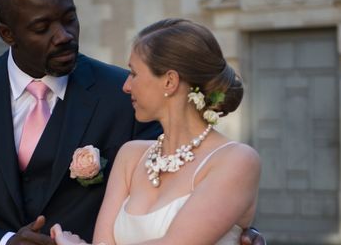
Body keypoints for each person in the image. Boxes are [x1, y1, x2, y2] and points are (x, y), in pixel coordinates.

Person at [0, 0, 265, 245]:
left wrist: (229, 230)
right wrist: (4, 242)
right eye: (42, 28)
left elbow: (182, 177)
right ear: (8, 35)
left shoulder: (123, 93)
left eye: (69, 19)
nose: (64, 36)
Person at [50, 18, 261, 245]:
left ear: (169, 81)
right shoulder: (130, 157)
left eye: (134, 73)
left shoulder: (236, 160)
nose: (126, 86)